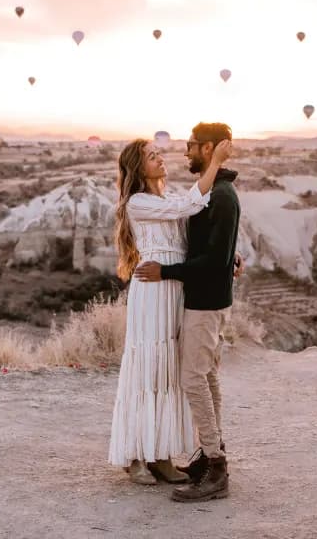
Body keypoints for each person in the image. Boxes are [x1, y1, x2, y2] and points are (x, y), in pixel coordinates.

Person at [108, 135, 233, 484]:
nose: (160, 158)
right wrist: (215, 164)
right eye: (152, 156)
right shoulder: (138, 203)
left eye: (159, 152)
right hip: (152, 292)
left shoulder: (167, 194)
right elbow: (190, 206)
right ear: (138, 167)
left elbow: (189, 232)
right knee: (148, 369)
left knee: (168, 373)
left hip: (174, 290)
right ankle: (135, 455)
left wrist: (229, 256)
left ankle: (160, 455)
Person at [135, 122, 240, 502]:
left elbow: (212, 258)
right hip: (204, 299)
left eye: (193, 146)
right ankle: (213, 453)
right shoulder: (215, 192)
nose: (186, 153)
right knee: (207, 377)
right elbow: (211, 246)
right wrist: (232, 257)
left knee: (194, 379)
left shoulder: (223, 195)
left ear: (211, 149)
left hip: (205, 302)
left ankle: (216, 466)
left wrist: (166, 272)